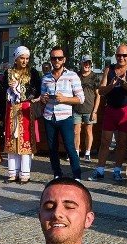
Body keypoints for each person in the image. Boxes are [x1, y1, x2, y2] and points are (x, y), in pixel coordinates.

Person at [89, 45, 127, 182]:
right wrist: (111, 86)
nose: (121, 58)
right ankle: (100, 169)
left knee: (122, 142)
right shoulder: (109, 69)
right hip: (111, 108)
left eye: (124, 55)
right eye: (119, 55)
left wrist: (124, 84)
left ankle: (117, 170)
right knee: (105, 140)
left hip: (126, 109)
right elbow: (100, 90)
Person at [0, 46, 41, 183]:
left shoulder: (32, 72)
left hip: (25, 109)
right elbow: (1, 91)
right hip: (12, 109)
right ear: (16, 59)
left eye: (27, 58)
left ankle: (25, 173)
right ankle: (12, 173)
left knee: (25, 140)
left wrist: (21, 90)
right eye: (22, 58)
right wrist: (9, 89)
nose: (25, 61)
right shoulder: (8, 72)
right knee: (12, 140)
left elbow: (36, 90)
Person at [41, 46, 84, 181]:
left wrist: (64, 99)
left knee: (70, 146)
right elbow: (42, 98)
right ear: (51, 60)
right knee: (52, 148)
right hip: (49, 116)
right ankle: (57, 173)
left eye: (59, 58)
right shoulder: (46, 78)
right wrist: (44, 99)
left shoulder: (72, 76)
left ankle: (77, 175)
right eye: (54, 58)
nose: (57, 61)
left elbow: (81, 98)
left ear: (64, 59)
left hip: (65, 116)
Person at [73, 54, 100, 162]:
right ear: (81, 63)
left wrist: (95, 111)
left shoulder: (94, 77)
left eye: (88, 63)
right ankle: (75, 152)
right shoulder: (76, 76)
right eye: (85, 63)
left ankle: (87, 153)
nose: (87, 65)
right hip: (77, 108)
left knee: (89, 131)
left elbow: (98, 95)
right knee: (76, 131)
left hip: (90, 108)